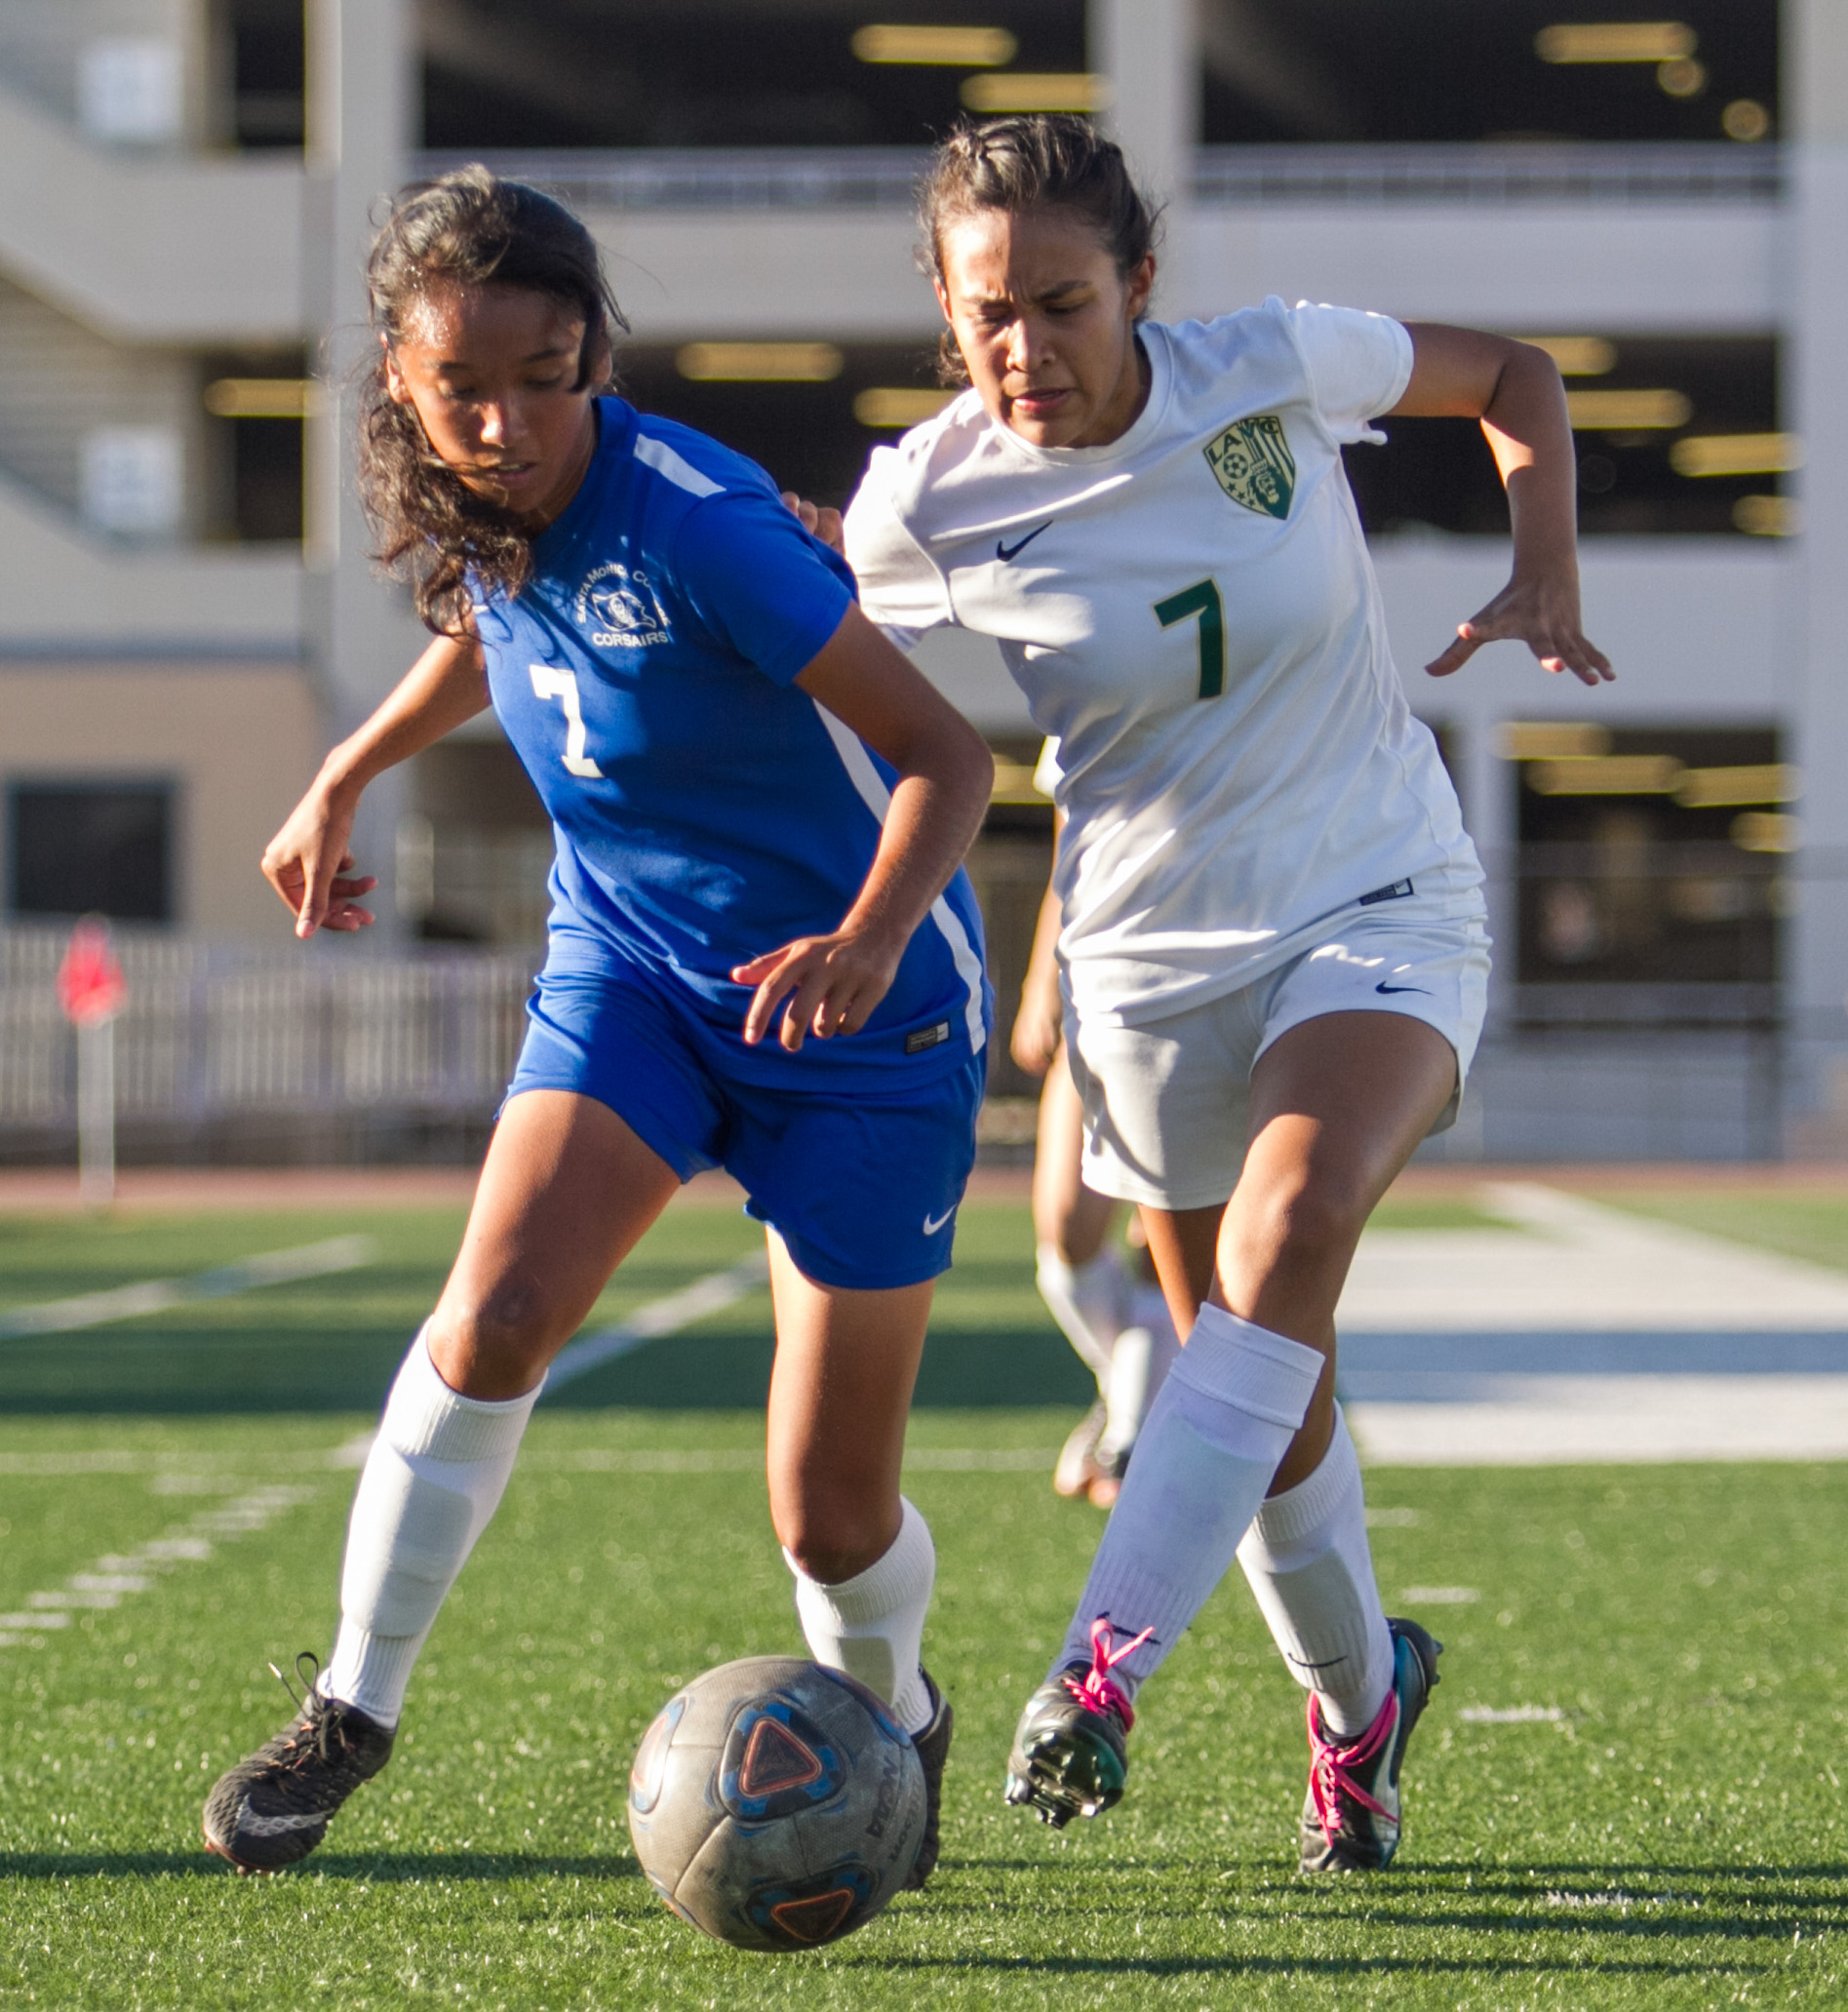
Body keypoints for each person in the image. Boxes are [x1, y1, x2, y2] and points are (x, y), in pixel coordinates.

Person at [201, 168, 995, 1886]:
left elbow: (952, 757)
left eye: (545, 375)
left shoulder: (700, 521)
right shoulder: (483, 505)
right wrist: (347, 766)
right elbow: (493, 637)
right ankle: (353, 1703)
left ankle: (889, 1716)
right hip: (631, 973)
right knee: (488, 1313)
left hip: (863, 1020)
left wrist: (864, 940)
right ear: (399, 386)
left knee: (829, 1515)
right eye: (460, 388)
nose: (504, 423)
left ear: (595, 354)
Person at [839, 114, 1610, 1874]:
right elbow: (790, 621)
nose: (1024, 346)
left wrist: (1542, 551)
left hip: (1378, 892)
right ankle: (1360, 1709)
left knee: (1288, 1233)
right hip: (1139, 963)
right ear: (946, 318)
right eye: (987, 315)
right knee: (1263, 1392)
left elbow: (1519, 377)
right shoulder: (929, 496)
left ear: (1141, 287)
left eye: (1062, 300)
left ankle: (1093, 1674)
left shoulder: (1268, 365)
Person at [1010, 748, 1177, 1508]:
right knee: (1067, 1228)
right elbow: (1070, 846)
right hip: (1097, 982)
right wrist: (1042, 976)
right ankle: (1128, 1398)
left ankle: (1132, 1436)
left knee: (1164, 1245)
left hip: (1208, 982)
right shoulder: (1093, 669)